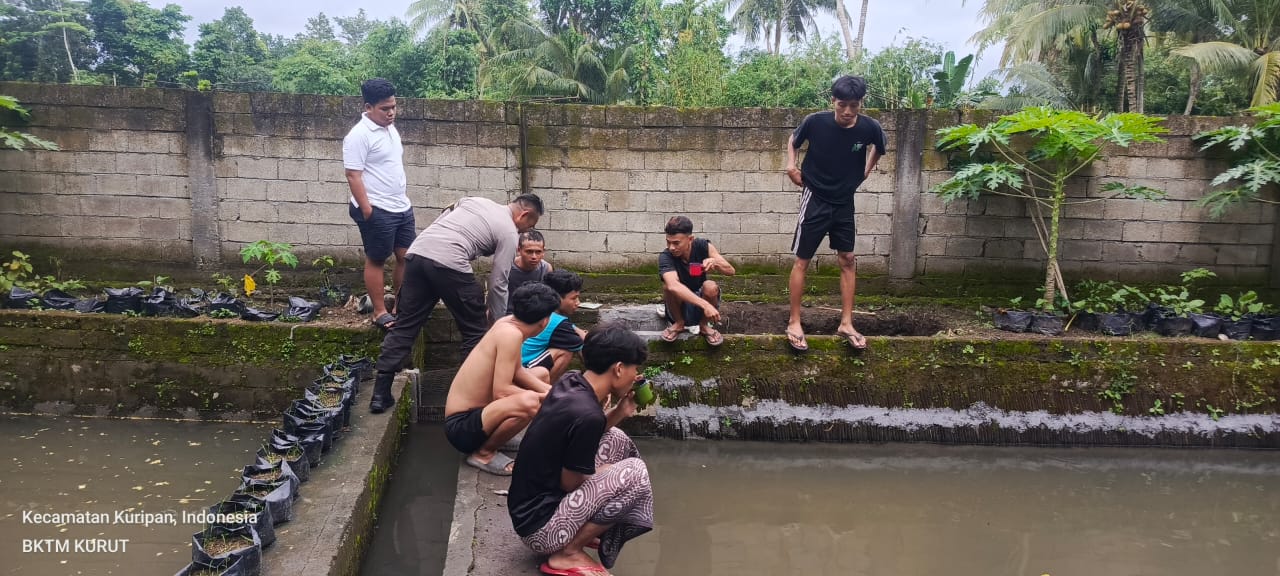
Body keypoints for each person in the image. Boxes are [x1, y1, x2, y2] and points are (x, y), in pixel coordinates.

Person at [367, 194, 544, 413]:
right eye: (529, 225)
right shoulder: (508, 230)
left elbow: (447, 211)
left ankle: (379, 394)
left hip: (416, 255)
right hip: (450, 262)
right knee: (475, 331)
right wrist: (499, 324)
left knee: (405, 326)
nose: (523, 232)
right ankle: (468, 399)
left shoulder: (475, 201)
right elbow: (499, 282)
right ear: (524, 214)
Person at [508, 322, 653, 576]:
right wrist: (604, 472)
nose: (635, 375)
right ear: (618, 369)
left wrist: (619, 411)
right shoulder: (587, 414)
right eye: (635, 368)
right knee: (634, 474)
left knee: (616, 438)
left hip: (529, 512)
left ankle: (584, 531)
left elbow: (581, 435)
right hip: (541, 531)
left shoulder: (572, 382)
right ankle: (567, 552)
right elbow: (569, 482)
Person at [784, 75, 886, 352]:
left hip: (844, 202)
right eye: (842, 105)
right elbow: (793, 140)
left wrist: (866, 170)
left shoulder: (869, 127)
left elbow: (880, 147)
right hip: (815, 197)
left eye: (854, 105)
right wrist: (792, 167)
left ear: (860, 103)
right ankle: (794, 321)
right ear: (834, 101)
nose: (848, 111)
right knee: (802, 260)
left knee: (848, 259)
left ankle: (846, 323)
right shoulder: (816, 122)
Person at [443, 282, 561, 476]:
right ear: (545, 321)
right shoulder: (511, 335)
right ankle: (484, 453)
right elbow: (502, 391)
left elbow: (518, 372)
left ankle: (498, 436)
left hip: (481, 414)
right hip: (462, 427)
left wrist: (554, 392)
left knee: (541, 374)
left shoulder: (507, 323)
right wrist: (551, 399)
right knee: (530, 402)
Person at [343, 78, 413, 330]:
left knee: (406, 257)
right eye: (385, 109)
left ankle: (401, 307)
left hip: (401, 206)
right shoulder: (358, 136)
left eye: (394, 107)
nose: (391, 112)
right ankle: (380, 312)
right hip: (377, 209)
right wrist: (367, 210)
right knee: (377, 259)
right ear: (368, 106)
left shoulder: (390, 129)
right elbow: (353, 174)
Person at [658, 216, 735, 347]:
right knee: (668, 287)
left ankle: (704, 326)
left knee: (710, 286)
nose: (671, 247)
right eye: (668, 242)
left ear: (690, 239)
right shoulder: (666, 257)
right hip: (679, 306)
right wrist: (706, 305)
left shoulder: (702, 246)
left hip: (701, 302)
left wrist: (715, 263)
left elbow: (731, 271)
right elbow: (673, 286)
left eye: (676, 243)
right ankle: (678, 324)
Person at [522, 269, 587, 384]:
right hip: (523, 372)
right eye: (573, 298)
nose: (578, 303)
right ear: (557, 298)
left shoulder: (540, 310)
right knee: (566, 350)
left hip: (513, 367)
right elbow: (584, 354)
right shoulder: (560, 324)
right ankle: (547, 393)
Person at [506, 230, 554, 315]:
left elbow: (548, 298)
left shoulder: (546, 268)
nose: (534, 257)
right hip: (508, 314)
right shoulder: (507, 266)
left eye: (538, 252)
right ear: (519, 250)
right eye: (529, 252)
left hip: (535, 316)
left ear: (543, 252)